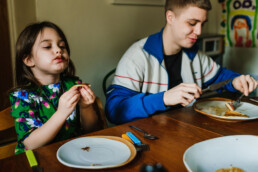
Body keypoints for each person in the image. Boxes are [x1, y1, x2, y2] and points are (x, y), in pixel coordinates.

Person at [105, 0, 258, 124]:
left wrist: (235, 81)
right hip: (145, 137)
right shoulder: (137, 56)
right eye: (192, 23)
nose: (199, 32)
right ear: (170, 17)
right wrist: (164, 98)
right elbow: (114, 111)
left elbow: (221, 77)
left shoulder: (194, 54)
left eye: (202, 24)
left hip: (183, 130)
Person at [10, 21, 101, 154]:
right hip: (38, 160)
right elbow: (30, 144)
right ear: (29, 59)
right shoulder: (21, 96)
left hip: (72, 154)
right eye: (47, 46)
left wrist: (86, 107)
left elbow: (92, 130)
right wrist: (61, 113)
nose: (58, 50)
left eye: (62, 46)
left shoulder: (73, 85)